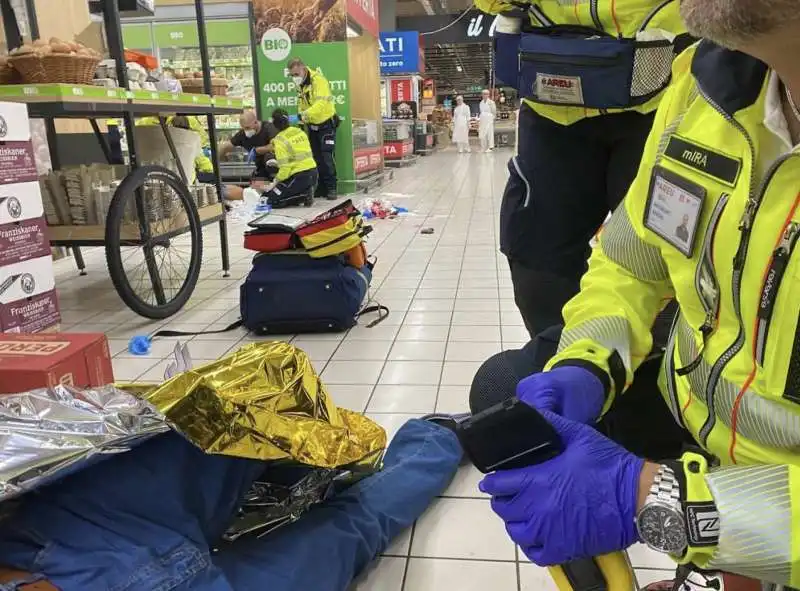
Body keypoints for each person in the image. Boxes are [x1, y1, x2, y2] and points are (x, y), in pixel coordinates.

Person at [470, 1, 800, 589]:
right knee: (510, 384)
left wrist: (657, 500)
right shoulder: (707, 84)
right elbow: (631, 256)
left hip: (769, 516)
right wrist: (589, 362)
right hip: (710, 451)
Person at [0, 416, 463, 590]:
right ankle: (434, 438)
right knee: (227, 426)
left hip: (52, 538)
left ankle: (436, 439)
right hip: (51, 528)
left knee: (352, 526)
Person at [480, 0, 691, 338]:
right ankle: (562, 365)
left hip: (662, 96)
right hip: (552, 105)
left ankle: (657, 377)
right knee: (536, 266)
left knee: (669, 256)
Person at [288, 57, 339, 201]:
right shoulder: (302, 84)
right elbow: (302, 103)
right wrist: (300, 120)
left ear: (303, 69)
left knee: (327, 157)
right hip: (312, 125)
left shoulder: (318, 81)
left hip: (326, 124)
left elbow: (321, 104)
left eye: (296, 74)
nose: (294, 78)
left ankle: (332, 188)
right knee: (315, 158)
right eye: (292, 75)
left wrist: (303, 115)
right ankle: (320, 188)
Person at [258, 109, 317, 209]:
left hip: (299, 177)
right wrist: (278, 163)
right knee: (275, 194)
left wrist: (273, 183)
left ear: (274, 124)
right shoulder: (300, 132)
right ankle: (303, 193)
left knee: (269, 200)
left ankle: (304, 195)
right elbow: (296, 158)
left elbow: (285, 170)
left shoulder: (279, 140)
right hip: (313, 174)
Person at [219, 110, 278, 184]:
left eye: (247, 127)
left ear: (256, 122)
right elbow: (224, 147)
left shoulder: (269, 128)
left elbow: (275, 145)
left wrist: (256, 151)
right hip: (260, 170)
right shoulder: (242, 134)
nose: (246, 131)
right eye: (243, 128)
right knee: (255, 189)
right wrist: (221, 161)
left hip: (277, 168)